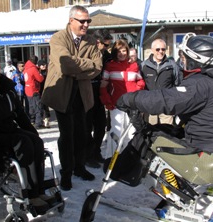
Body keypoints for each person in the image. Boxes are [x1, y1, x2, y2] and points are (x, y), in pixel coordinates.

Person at [116, 33, 213, 159]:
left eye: (185, 58)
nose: (183, 61)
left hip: (207, 153)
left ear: (196, 60)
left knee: (147, 136)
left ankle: (123, 170)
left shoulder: (201, 83)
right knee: (165, 129)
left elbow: (165, 100)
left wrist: (130, 99)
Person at [41, 5, 103, 191]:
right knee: (67, 136)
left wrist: (78, 71)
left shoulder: (91, 41)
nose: (86, 24)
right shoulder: (58, 38)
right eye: (82, 21)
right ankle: (66, 173)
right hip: (62, 94)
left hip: (82, 96)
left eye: (88, 21)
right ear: (71, 21)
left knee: (83, 134)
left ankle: (79, 167)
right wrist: (85, 66)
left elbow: (98, 67)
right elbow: (65, 65)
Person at [0, 49, 55, 214]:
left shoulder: (7, 87)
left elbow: (20, 114)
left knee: (35, 141)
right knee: (24, 143)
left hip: (9, 129)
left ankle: (39, 190)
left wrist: (33, 132)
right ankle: (30, 193)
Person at [99, 39, 145, 159]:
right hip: (116, 104)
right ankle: (112, 158)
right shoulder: (110, 66)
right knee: (117, 131)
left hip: (132, 104)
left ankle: (129, 158)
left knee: (131, 131)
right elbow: (103, 85)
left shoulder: (134, 66)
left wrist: (136, 90)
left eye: (124, 50)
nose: (121, 53)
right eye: (118, 51)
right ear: (115, 52)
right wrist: (107, 101)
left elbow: (141, 81)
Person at [85, 29, 113, 168]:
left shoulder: (105, 55)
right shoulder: (87, 53)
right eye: (105, 45)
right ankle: (88, 155)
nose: (107, 48)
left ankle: (96, 152)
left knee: (101, 126)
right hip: (87, 93)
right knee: (87, 127)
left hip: (99, 94)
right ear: (98, 42)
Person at [140, 38, 182, 125]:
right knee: (150, 131)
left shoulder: (172, 65)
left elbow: (177, 83)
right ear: (152, 50)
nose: (160, 51)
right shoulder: (144, 65)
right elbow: (140, 85)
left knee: (168, 132)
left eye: (163, 49)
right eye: (157, 49)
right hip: (150, 105)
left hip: (166, 105)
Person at [24, 55, 44, 129]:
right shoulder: (33, 69)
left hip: (27, 89)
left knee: (30, 106)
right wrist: (41, 74)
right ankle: (38, 123)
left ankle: (31, 121)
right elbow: (40, 79)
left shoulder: (26, 67)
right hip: (34, 89)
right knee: (38, 107)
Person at [38, 59, 50, 128]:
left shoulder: (48, 71)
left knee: (46, 106)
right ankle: (42, 119)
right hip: (40, 91)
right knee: (41, 106)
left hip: (46, 90)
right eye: (42, 65)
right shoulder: (38, 72)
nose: (44, 66)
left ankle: (47, 120)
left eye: (45, 64)